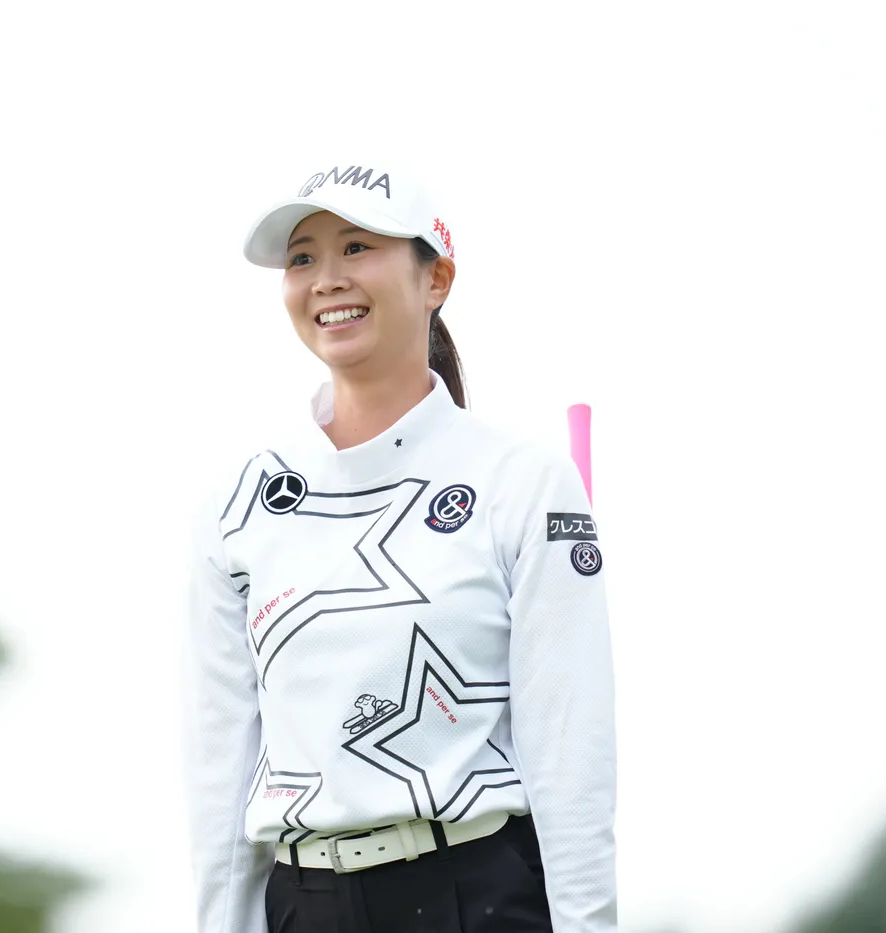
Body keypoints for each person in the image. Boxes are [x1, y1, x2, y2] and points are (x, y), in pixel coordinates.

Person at [182, 161, 616, 933]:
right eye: (304, 257)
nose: (326, 278)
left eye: (357, 247)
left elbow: (570, 754)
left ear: (435, 278)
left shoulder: (524, 481)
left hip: (476, 894)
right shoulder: (241, 501)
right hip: (305, 903)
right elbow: (221, 762)